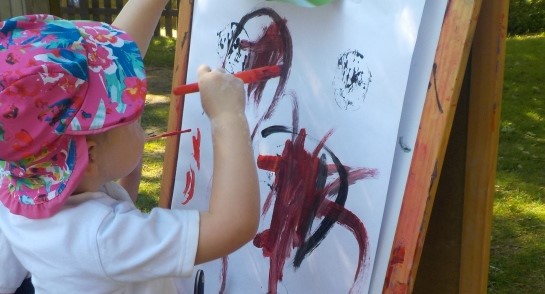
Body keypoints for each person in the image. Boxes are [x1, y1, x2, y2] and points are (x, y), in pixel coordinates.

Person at [0, 1, 260, 293]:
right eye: (133, 120)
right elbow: (233, 225)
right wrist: (227, 115)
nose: (143, 123)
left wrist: (127, 168)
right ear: (91, 157)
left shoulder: (20, 197)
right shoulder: (104, 240)